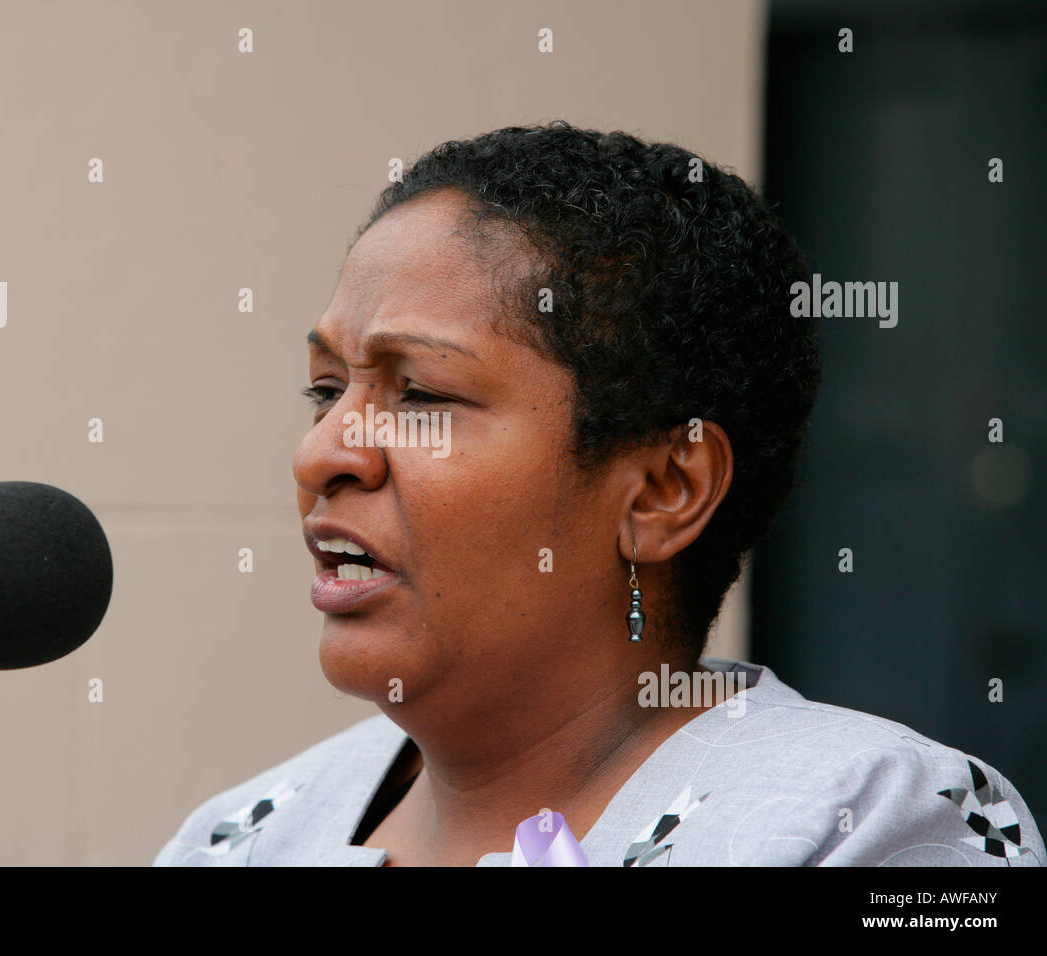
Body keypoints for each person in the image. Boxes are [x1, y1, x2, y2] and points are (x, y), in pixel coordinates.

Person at [154, 122, 1042, 866]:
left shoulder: (880, 823)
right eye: (326, 391)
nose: (321, 454)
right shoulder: (241, 839)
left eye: (420, 395)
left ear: (662, 490)